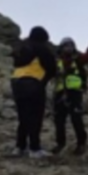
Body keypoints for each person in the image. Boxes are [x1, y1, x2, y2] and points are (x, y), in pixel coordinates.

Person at [10, 25, 57, 158]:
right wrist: (44, 81)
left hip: (16, 82)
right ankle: (34, 149)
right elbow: (52, 68)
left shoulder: (22, 48)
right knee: (35, 117)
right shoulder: (42, 48)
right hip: (34, 83)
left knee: (23, 117)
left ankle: (20, 147)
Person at [52, 37, 88, 155]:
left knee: (76, 118)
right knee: (59, 120)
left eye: (71, 46)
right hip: (60, 93)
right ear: (61, 48)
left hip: (75, 93)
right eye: (66, 46)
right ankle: (60, 143)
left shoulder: (77, 59)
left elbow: (86, 58)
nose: (69, 48)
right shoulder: (57, 61)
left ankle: (81, 144)